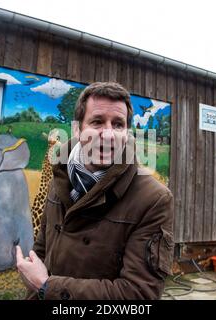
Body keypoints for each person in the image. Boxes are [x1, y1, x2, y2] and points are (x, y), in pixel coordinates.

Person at [16, 82, 174, 300]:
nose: (108, 134)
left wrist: (46, 286)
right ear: (77, 129)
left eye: (118, 125)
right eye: (97, 122)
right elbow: (41, 253)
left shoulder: (153, 199)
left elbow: (139, 295)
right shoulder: (59, 178)